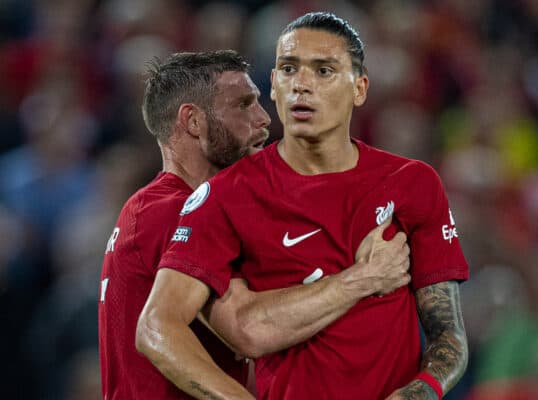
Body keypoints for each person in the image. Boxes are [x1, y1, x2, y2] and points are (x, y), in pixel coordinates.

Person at [140, 12, 469, 400]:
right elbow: (157, 326)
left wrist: (422, 391)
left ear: (359, 89)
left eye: (324, 71)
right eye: (289, 69)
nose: (302, 85)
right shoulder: (227, 195)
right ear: (274, 87)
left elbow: (449, 336)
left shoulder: (412, 183)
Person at [100, 50, 411, 399]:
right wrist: (363, 277)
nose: (264, 119)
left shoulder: (174, 209)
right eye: (243, 104)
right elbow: (248, 329)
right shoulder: (173, 211)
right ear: (193, 122)